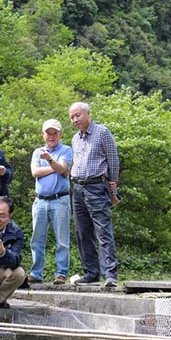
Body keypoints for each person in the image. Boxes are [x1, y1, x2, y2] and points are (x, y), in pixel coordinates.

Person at [68, 101, 120, 288]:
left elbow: (113, 161)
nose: (75, 119)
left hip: (97, 186)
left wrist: (113, 189)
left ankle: (110, 274)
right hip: (78, 188)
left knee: (103, 231)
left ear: (88, 114)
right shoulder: (75, 139)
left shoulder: (102, 132)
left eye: (77, 115)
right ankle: (91, 272)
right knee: (82, 232)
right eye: (72, 117)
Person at [29, 119, 73, 285]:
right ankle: (36, 272)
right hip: (40, 201)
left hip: (60, 200)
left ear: (60, 133)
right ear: (43, 134)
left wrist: (50, 161)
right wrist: (55, 166)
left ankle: (61, 273)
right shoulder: (37, 152)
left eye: (55, 132)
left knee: (62, 240)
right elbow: (35, 172)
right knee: (37, 239)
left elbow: (63, 168)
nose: (52, 136)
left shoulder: (66, 150)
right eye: (48, 132)